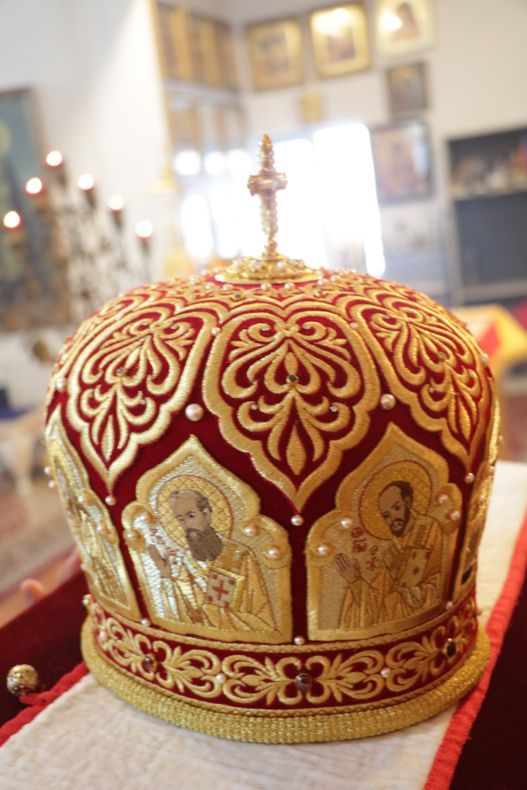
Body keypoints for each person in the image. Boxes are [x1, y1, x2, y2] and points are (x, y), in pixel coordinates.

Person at [148, 489, 276, 633]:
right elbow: (182, 608)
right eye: (181, 519)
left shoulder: (238, 555)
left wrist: (217, 613)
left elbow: (261, 613)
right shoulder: (188, 560)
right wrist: (166, 576)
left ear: (207, 514)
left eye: (191, 516)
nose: (187, 525)